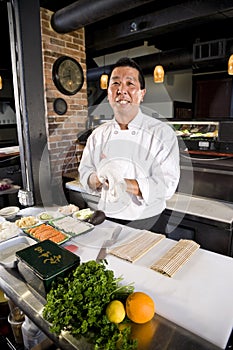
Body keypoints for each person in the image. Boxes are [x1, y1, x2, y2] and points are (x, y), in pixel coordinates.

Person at [78, 57, 180, 232]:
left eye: (130, 84)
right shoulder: (98, 135)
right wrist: (98, 178)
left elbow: (167, 184)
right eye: (115, 83)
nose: (121, 90)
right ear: (109, 92)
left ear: (141, 94)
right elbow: (84, 173)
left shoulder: (162, 133)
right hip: (106, 217)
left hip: (148, 220)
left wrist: (122, 183)